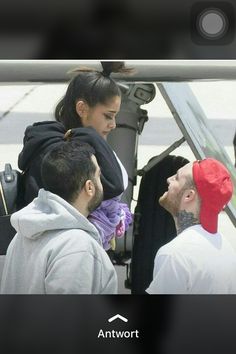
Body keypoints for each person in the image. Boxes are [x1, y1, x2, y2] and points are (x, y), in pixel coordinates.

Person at [18, 61, 133, 250]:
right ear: (82, 109)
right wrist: (92, 136)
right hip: (60, 251)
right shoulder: (62, 152)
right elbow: (114, 186)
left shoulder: (71, 140)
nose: (113, 124)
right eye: (108, 115)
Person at [1, 140, 118, 294]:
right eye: (98, 175)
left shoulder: (24, 233)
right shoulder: (77, 247)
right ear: (89, 187)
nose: (101, 182)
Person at [146, 157, 236, 294]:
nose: (169, 179)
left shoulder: (175, 255)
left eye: (176, 177)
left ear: (188, 195)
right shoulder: (226, 249)